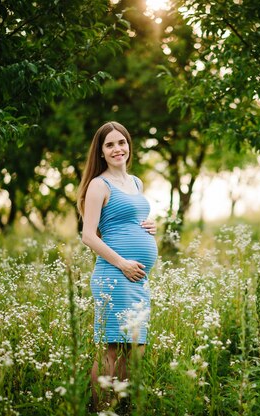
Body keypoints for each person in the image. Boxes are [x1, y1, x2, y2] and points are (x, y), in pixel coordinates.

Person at [77, 121, 157, 410]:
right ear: (100, 152)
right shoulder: (99, 185)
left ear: (128, 145)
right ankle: (101, 409)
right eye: (109, 145)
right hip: (115, 274)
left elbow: (128, 221)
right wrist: (122, 263)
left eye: (121, 142)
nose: (117, 149)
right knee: (113, 348)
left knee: (135, 349)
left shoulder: (136, 182)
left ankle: (118, 407)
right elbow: (88, 235)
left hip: (137, 278)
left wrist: (150, 226)